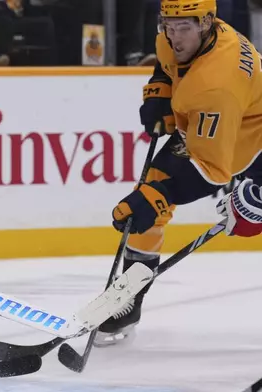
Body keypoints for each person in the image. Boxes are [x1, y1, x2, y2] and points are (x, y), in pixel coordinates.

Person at [95, 0, 262, 346]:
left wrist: (161, 197)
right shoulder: (182, 38)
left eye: (184, 27)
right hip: (229, 122)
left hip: (251, 139)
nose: (175, 36)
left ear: (207, 23)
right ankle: (128, 301)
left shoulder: (217, 84)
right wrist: (161, 88)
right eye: (169, 25)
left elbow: (212, 168)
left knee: (154, 196)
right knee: (152, 190)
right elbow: (167, 59)